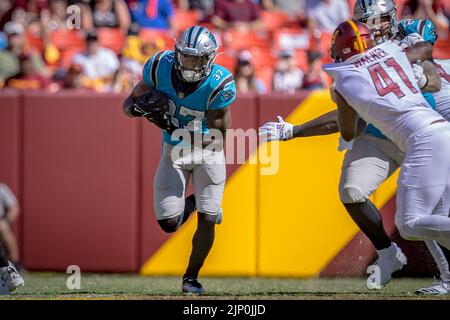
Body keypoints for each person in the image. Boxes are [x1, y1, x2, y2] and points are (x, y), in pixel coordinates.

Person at [260, 0, 450, 295]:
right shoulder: (380, 56)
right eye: (366, 22)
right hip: (382, 135)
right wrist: (296, 131)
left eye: (378, 21)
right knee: (355, 191)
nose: (373, 28)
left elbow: (433, 75)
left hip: (418, 132)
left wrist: (420, 76)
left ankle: (447, 276)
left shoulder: (398, 44)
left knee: (421, 213)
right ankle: (387, 253)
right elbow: (351, 122)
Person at [122, 26, 236, 294]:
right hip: (173, 152)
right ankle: (196, 202)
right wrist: (140, 108)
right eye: (186, 57)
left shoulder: (218, 83)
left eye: (197, 59)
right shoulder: (159, 66)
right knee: (168, 223)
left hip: (207, 151)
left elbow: (219, 138)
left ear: (209, 59)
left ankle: (191, 278)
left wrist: (173, 128)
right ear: (177, 53)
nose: (190, 64)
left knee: (208, 218)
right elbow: (127, 106)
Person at [0, 184, 24, 295]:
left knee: (1, 227)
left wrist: (6, 221)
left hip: (1, 220)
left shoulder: (1, 188)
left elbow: (14, 207)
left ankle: (12, 265)